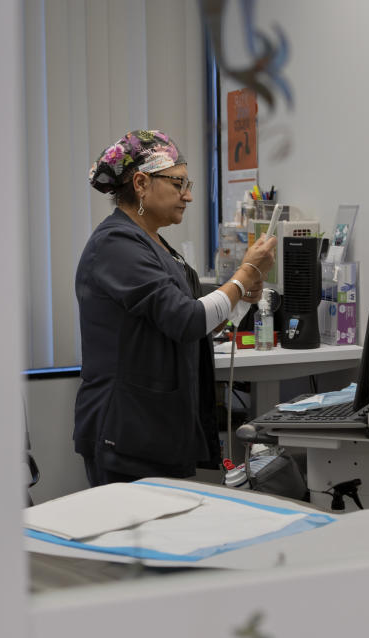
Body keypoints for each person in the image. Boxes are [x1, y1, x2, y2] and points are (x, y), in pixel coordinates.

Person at [73, 129, 277, 487]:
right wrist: (244, 275)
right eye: (178, 183)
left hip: (160, 426)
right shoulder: (116, 244)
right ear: (140, 183)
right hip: (127, 430)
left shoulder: (157, 245)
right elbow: (186, 319)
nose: (189, 196)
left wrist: (242, 296)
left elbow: (197, 317)